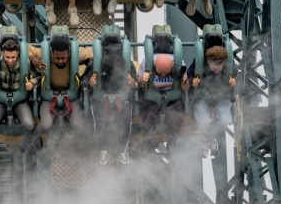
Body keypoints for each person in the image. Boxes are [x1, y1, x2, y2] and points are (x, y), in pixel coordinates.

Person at [25, 30, 93, 148]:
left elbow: (93, 56)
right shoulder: (44, 54)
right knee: (45, 124)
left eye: (63, 58)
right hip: (49, 97)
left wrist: (85, 78)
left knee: (78, 124)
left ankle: (87, 145)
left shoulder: (76, 55)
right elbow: (25, 47)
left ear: (68, 52)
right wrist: (32, 58)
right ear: (52, 53)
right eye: (57, 58)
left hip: (71, 97)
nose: (60, 61)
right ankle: (24, 145)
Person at [86, 29, 137, 164]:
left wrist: (134, 84)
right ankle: (108, 149)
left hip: (122, 98)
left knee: (125, 118)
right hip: (102, 98)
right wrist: (89, 84)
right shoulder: (95, 64)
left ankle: (119, 150)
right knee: (100, 118)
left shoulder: (128, 65)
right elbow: (83, 82)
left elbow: (136, 84)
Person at [0, 34, 36, 153]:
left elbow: (38, 76)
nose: (10, 60)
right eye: (7, 57)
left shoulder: (25, 62)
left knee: (30, 124)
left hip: (19, 99)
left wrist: (32, 83)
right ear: (2, 53)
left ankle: (29, 142)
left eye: (13, 57)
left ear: (17, 53)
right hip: (0, 99)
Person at [137, 39, 189, 154]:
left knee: (176, 115)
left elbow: (186, 88)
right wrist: (142, 79)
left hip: (172, 97)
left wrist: (184, 81)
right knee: (148, 115)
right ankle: (148, 135)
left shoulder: (179, 63)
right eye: (160, 72)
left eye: (167, 72)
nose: (163, 75)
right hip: (152, 97)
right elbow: (139, 82)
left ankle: (172, 136)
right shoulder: (147, 61)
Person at [189, 42, 236, 158]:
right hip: (203, 96)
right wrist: (192, 81)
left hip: (221, 96)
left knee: (225, 120)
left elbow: (236, 78)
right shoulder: (198, 62)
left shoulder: (230, 65)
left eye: (219, 68)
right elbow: (188, 76)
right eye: (213, 67)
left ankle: (206, 139)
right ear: (208, 61)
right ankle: (209, 138)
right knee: (204, 121)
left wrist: (234, 83)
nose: (216, 70)